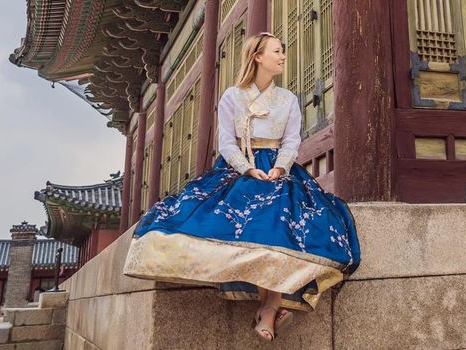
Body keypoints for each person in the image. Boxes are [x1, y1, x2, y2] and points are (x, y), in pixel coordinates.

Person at [123, 32, 361, 342]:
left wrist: (280, 167)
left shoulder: (287, 99)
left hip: (279, 168)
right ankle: (269, 306)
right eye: (277, 51)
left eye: (283, 51)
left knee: (283, 217)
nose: (283, 56)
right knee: (243, 219)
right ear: (257, 57)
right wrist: (247, 168)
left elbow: (291, 141)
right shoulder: (232, 97)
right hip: (240, 167)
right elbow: (225, 143)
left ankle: (270, 306)